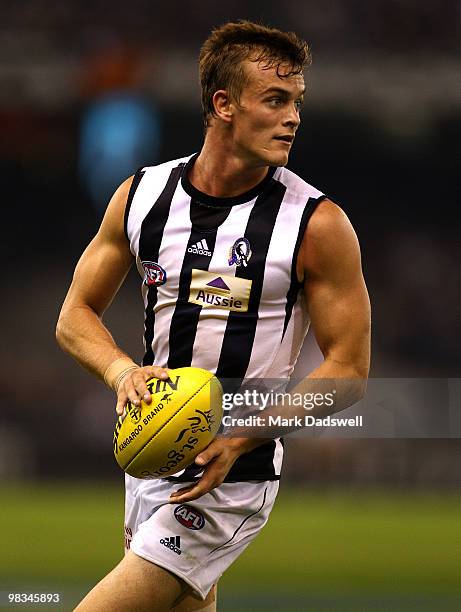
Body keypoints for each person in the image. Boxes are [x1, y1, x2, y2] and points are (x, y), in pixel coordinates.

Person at [56, 20, 370, 612]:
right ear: (223, 104)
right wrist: (122, 372)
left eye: (296, 102)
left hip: (236, 471)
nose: (293, 117)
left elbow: (349, 371)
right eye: (275, 100)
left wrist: (242, 437)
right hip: (151, 452)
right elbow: (74, 315)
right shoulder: (142, 196)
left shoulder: (317, 225)